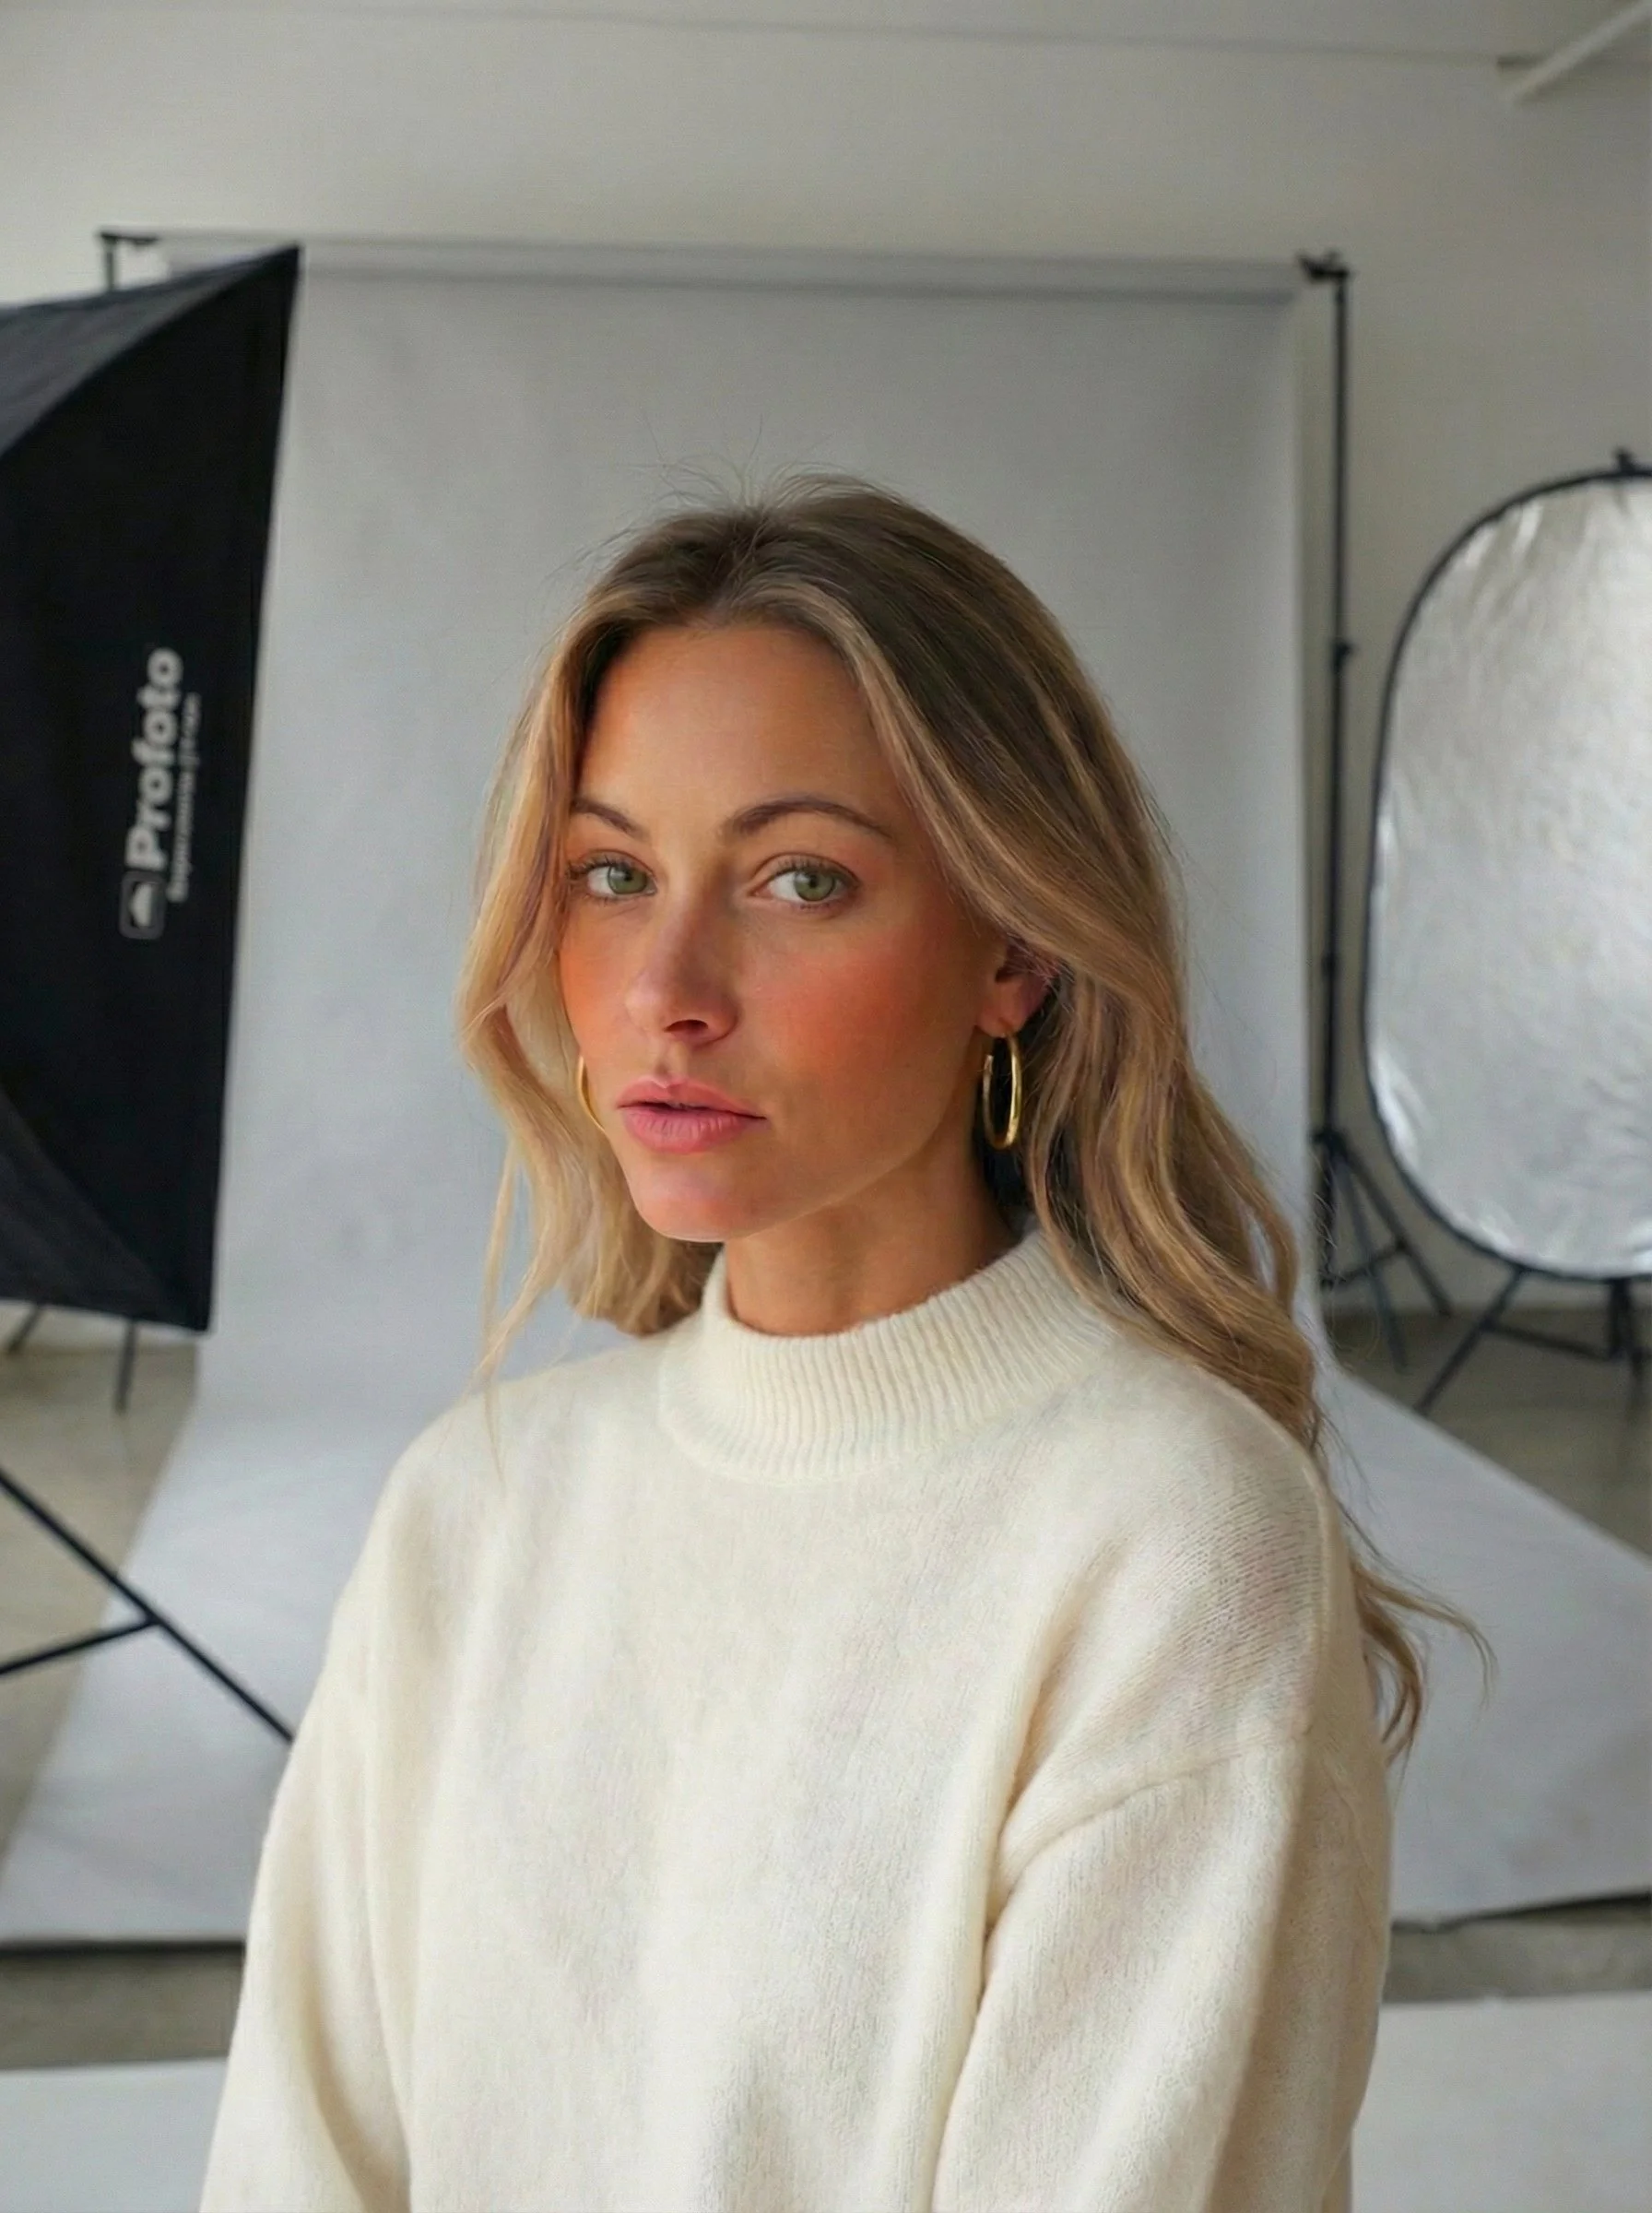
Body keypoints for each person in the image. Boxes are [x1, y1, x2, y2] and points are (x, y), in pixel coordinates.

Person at [197, 470, 1488, 2213]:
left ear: (1015, 948)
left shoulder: (1172, 1541)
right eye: (609, 871)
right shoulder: (478, 1507)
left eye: (800, 877)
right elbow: (299, 2160)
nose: (667, 983)